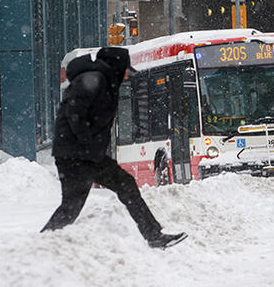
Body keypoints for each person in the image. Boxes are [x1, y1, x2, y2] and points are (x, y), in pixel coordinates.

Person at [41, 46, 186, 249]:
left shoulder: (102, 81)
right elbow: (75, 114)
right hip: (78, 156)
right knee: (114, 189)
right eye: (126, 69)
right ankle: (42, 245)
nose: (127, 75)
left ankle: (43, 244)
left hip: (80, 155)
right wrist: (87, 146)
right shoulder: (93, 80)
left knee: (76, 204)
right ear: (117, 66)